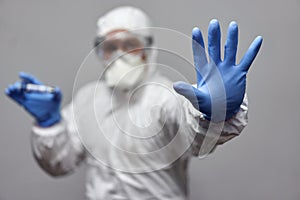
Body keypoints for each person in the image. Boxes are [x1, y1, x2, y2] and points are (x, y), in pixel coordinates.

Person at [5, 6, 262, 200]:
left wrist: (217, 112)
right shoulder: (87, 100)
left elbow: (194, 136)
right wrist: (50, 125)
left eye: (130, 44)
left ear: (147, 49)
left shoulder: (165, 97)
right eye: (110, 47)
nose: (119, 54)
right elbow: (61, 163)